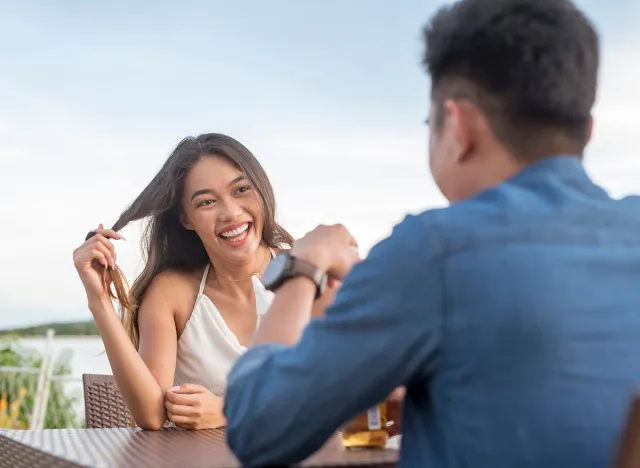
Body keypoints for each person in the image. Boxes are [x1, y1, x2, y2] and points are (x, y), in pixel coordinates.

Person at [223, 0, 640, 466]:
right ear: (587, 129)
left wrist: (302, 268)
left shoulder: (436, 251)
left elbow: (255, 426)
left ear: (458, 125)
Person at [73, 133, 336, 430]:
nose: (230, 213)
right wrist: (100, 302)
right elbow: (150, 416)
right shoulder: (172, 292)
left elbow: (342, 392)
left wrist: (229, 411)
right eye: (207, 201)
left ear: (261, 192)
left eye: (241, 190)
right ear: (186, 219)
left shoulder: (307, 272)